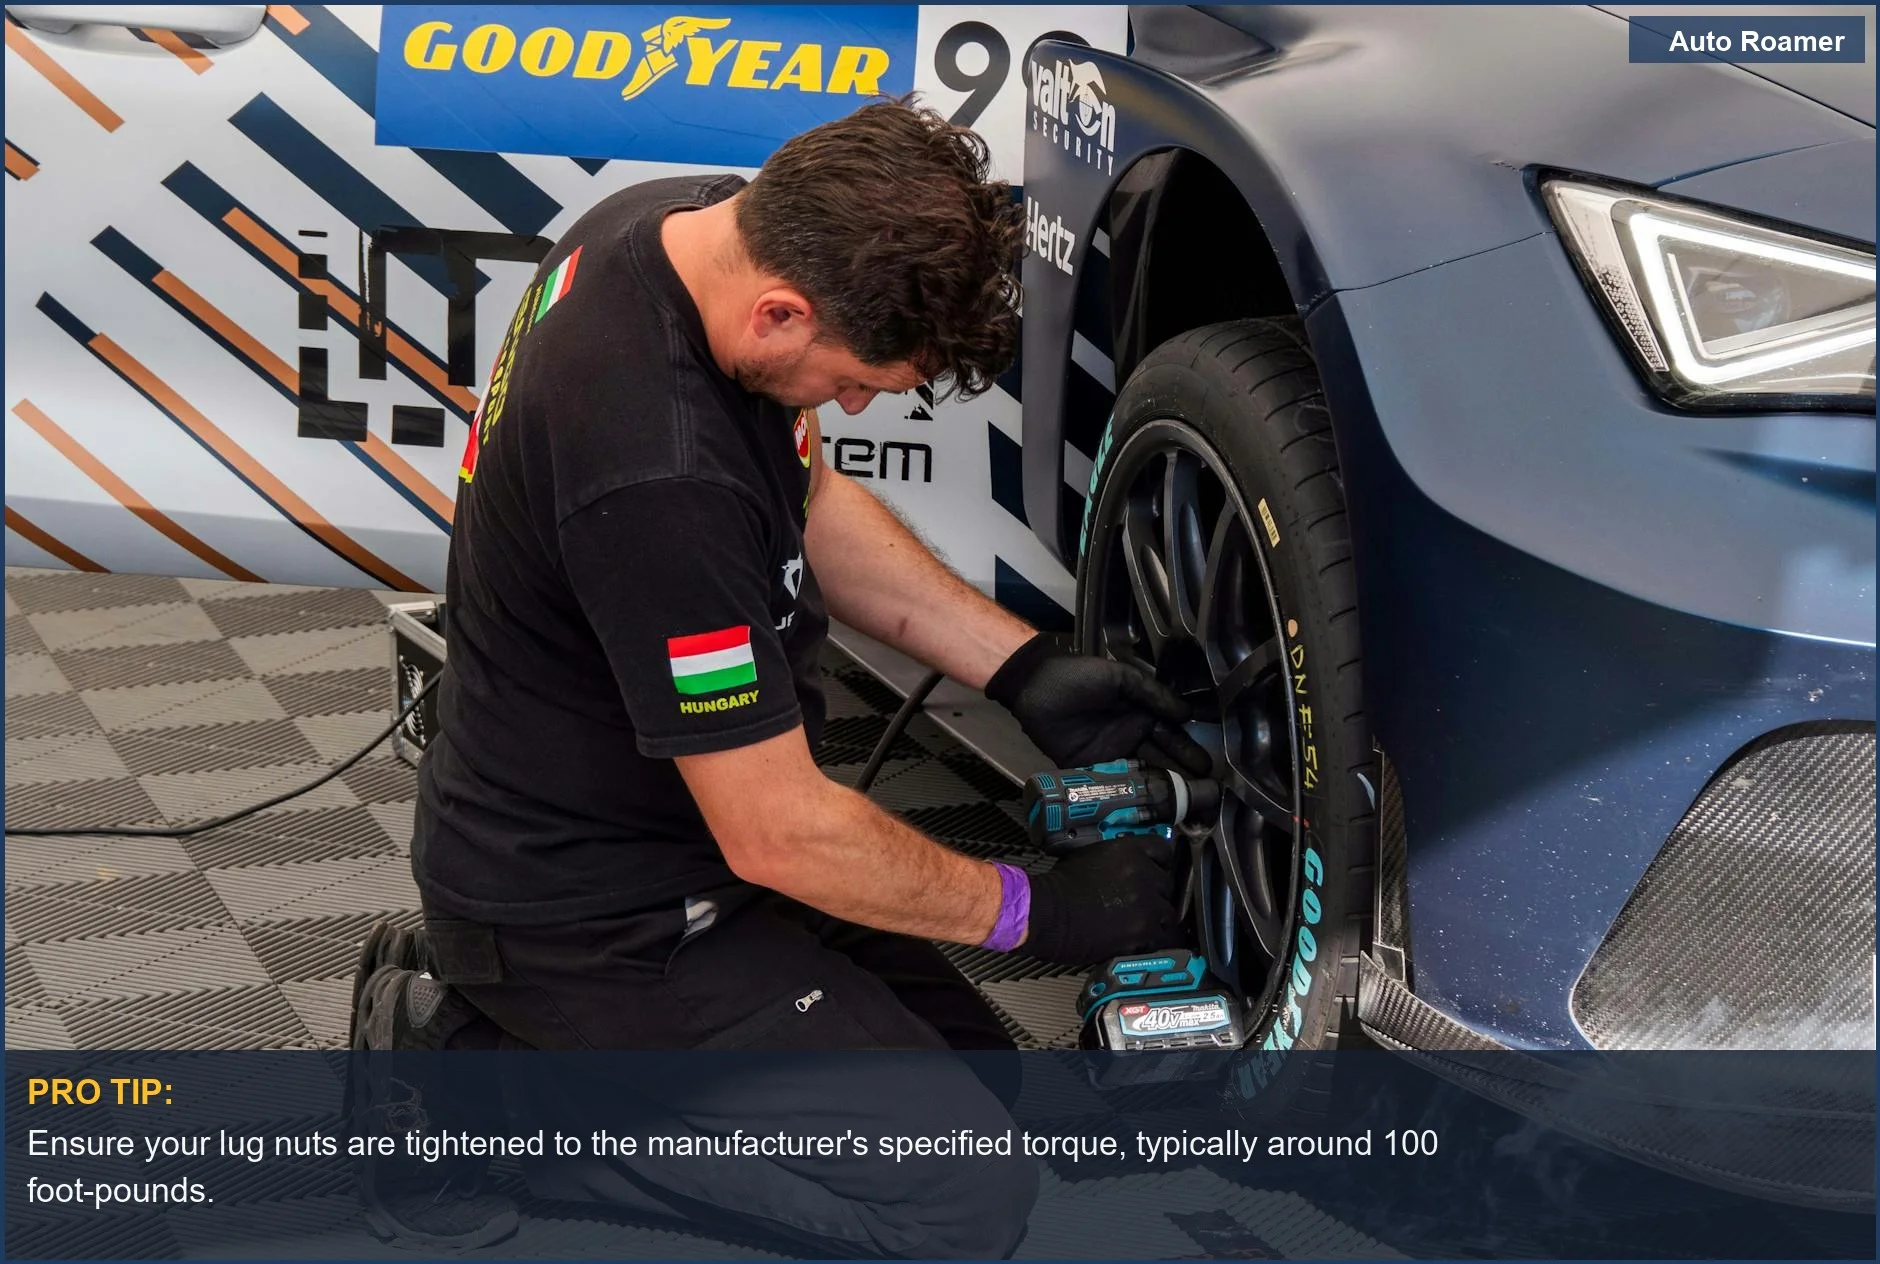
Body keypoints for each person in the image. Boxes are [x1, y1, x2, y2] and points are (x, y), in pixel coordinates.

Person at [360, 98, 1209, 1257]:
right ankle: (470, 1080)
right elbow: (780, 835)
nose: (853, 406)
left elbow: (803, 500)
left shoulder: (668, 229)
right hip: (592, 911)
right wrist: (1041, 911)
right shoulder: (657, 474)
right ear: (781, 311)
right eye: (853, 378)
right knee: (957, 1198)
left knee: (980, 1082)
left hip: (674, 836)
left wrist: (1016, 666)